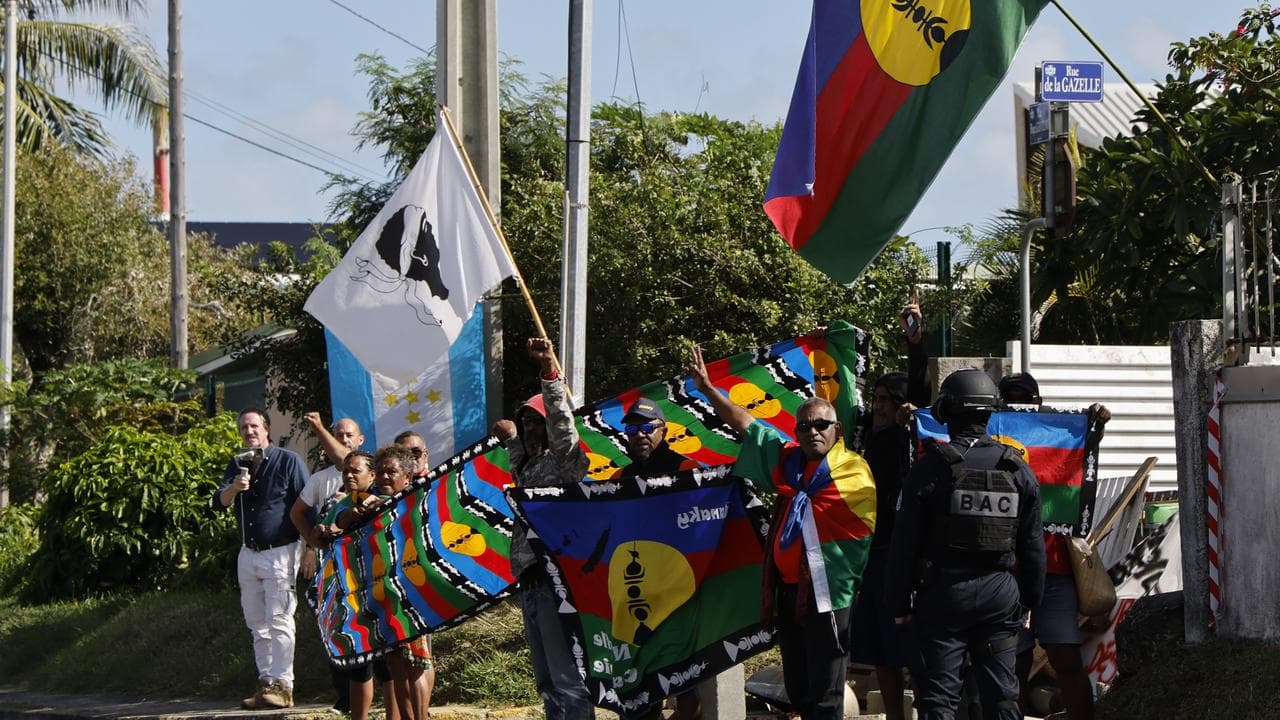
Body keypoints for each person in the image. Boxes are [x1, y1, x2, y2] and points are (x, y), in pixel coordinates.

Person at [688, 344, 876, 720]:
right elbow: (748, 426)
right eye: (804, 426)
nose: (812, 432)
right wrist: (709, 391)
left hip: (828, 596)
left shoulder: (851, 470)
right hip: (791, 594)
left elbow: (860, 531)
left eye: (821, 425)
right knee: (800, 687)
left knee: (826, 691)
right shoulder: (790, 466)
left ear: (837, 430)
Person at [886, 369, 1045, 720]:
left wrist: (899, 604)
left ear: (945, 412)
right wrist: (1029, 603)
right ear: (991, 412)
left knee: (939, 701)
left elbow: (904, 545)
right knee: (1003, 699)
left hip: (943, 595)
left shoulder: (930, 468)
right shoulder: (1017, 468)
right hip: (1000, 596)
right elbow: (1034, 546)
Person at [492, 337, 593, 720]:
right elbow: (519, 464)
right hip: (531, 584)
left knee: (568, 679)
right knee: (547, 681)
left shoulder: (567, 461)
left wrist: (550, 371)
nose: (532, 427)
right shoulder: (530, 467)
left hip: (558, 581)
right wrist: (512, 439)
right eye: (526, 422)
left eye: (537, 421)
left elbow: (562, 422)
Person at [998, 372, 1109, 720]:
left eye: (1026, 399)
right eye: (1010, 398)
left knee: (1065, 657)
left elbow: (1079, 459)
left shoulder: (1055, 439)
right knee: (1012, 664)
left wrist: (1094, 428)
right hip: (1006, 572)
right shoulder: (986, 442)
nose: (1019, 404)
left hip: (1055, 568)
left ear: (1038, 403)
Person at [850, 298, 930, 720]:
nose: (878, 406)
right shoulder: (865, 434)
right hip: (870, 553)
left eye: (886, 399)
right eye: (876, 398)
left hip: (905, 555)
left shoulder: (909, 439)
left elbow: (920, 393)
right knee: (880, 647)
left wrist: (915, 344)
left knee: (911, 643)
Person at [211, 407, 309, 710]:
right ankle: (266, 683)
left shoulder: (288, 461)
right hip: (248, 552)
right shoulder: (238, 463)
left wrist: (311, 549)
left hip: (281, 550)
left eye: (254, 426)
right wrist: (234, 487)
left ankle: (284, 685)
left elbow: (305, 505)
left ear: (266, 429)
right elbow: (218, 502)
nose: (249, 431)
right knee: (256, 622)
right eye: (244, 427)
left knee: (280, 620)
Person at [342, 445, 434, 720]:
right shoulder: (366, 501)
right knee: (394, 665)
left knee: (416, 662)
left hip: (411, 591)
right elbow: (341, 519)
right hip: (381, 593)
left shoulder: (415, 498)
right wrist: (356, 513)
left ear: (406, 477)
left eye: (391, 472)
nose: (384, 477)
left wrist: (380, 505)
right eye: (380, 472)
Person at [291, 414, 365, 714]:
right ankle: (344, 697)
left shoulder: (369, 472)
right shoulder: (320, 479)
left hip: (362, 568)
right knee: (333, 629)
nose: (344, 439)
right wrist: (310, 542)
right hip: (329, 571)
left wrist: (319, 428)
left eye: (350, 434)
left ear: (360, 440)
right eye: (339, 434)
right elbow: (298, 512)